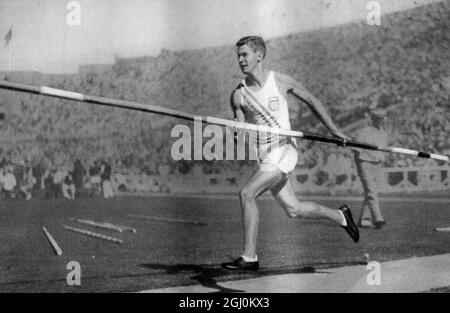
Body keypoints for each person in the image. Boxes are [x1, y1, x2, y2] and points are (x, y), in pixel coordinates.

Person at [221, 36, 359, 271]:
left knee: (247, 194)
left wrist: (335, 131)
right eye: (238, 56)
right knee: (294, 209)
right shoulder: (238, 95)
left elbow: (312, 101)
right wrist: (235, 130)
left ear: (259, 55)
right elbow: (241, 132)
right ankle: (341, 216)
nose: (240, 60)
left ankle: (250, 257)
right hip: (265, 157)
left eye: (245, 54)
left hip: (284, 148)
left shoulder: (280, 81)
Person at [353, 108, 388, 229]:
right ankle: (378, 218)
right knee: (371, 191)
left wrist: (382, 158)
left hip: (377, 164)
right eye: (378, 118)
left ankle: (364, 220)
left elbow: (383, 149)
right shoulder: (364, 132)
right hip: (365, 163)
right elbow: (356, 149)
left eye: (382, 118)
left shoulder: (383, 132)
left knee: (372, 193)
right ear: (373, 118)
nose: (380, 120)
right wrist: (361, 164)